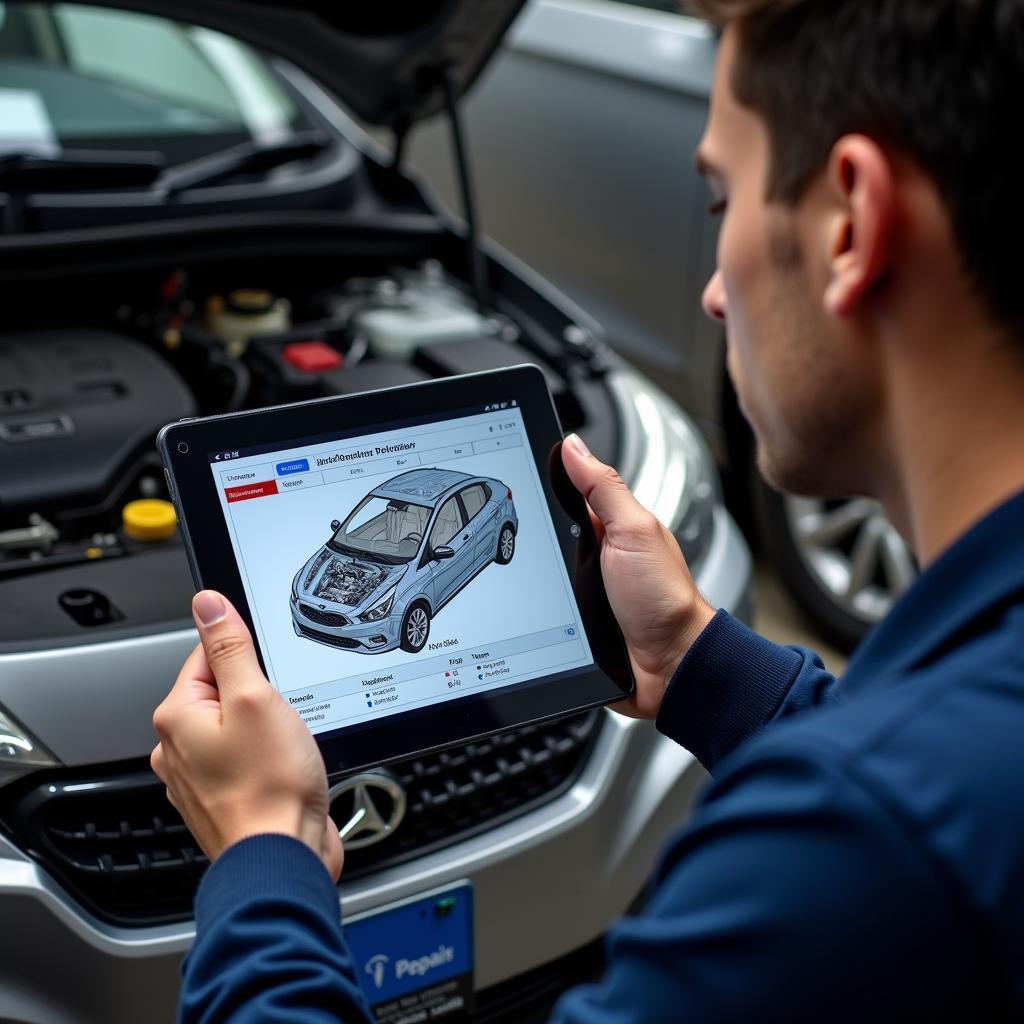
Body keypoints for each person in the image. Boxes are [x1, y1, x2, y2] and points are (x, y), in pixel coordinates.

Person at [151, 0, 1024, 1020]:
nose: (708, 293)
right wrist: (696, 658)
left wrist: (261, 852)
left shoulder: (843, 850)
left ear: (849, 223)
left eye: (719, 199)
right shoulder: (948, 756)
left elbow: (897, 816)